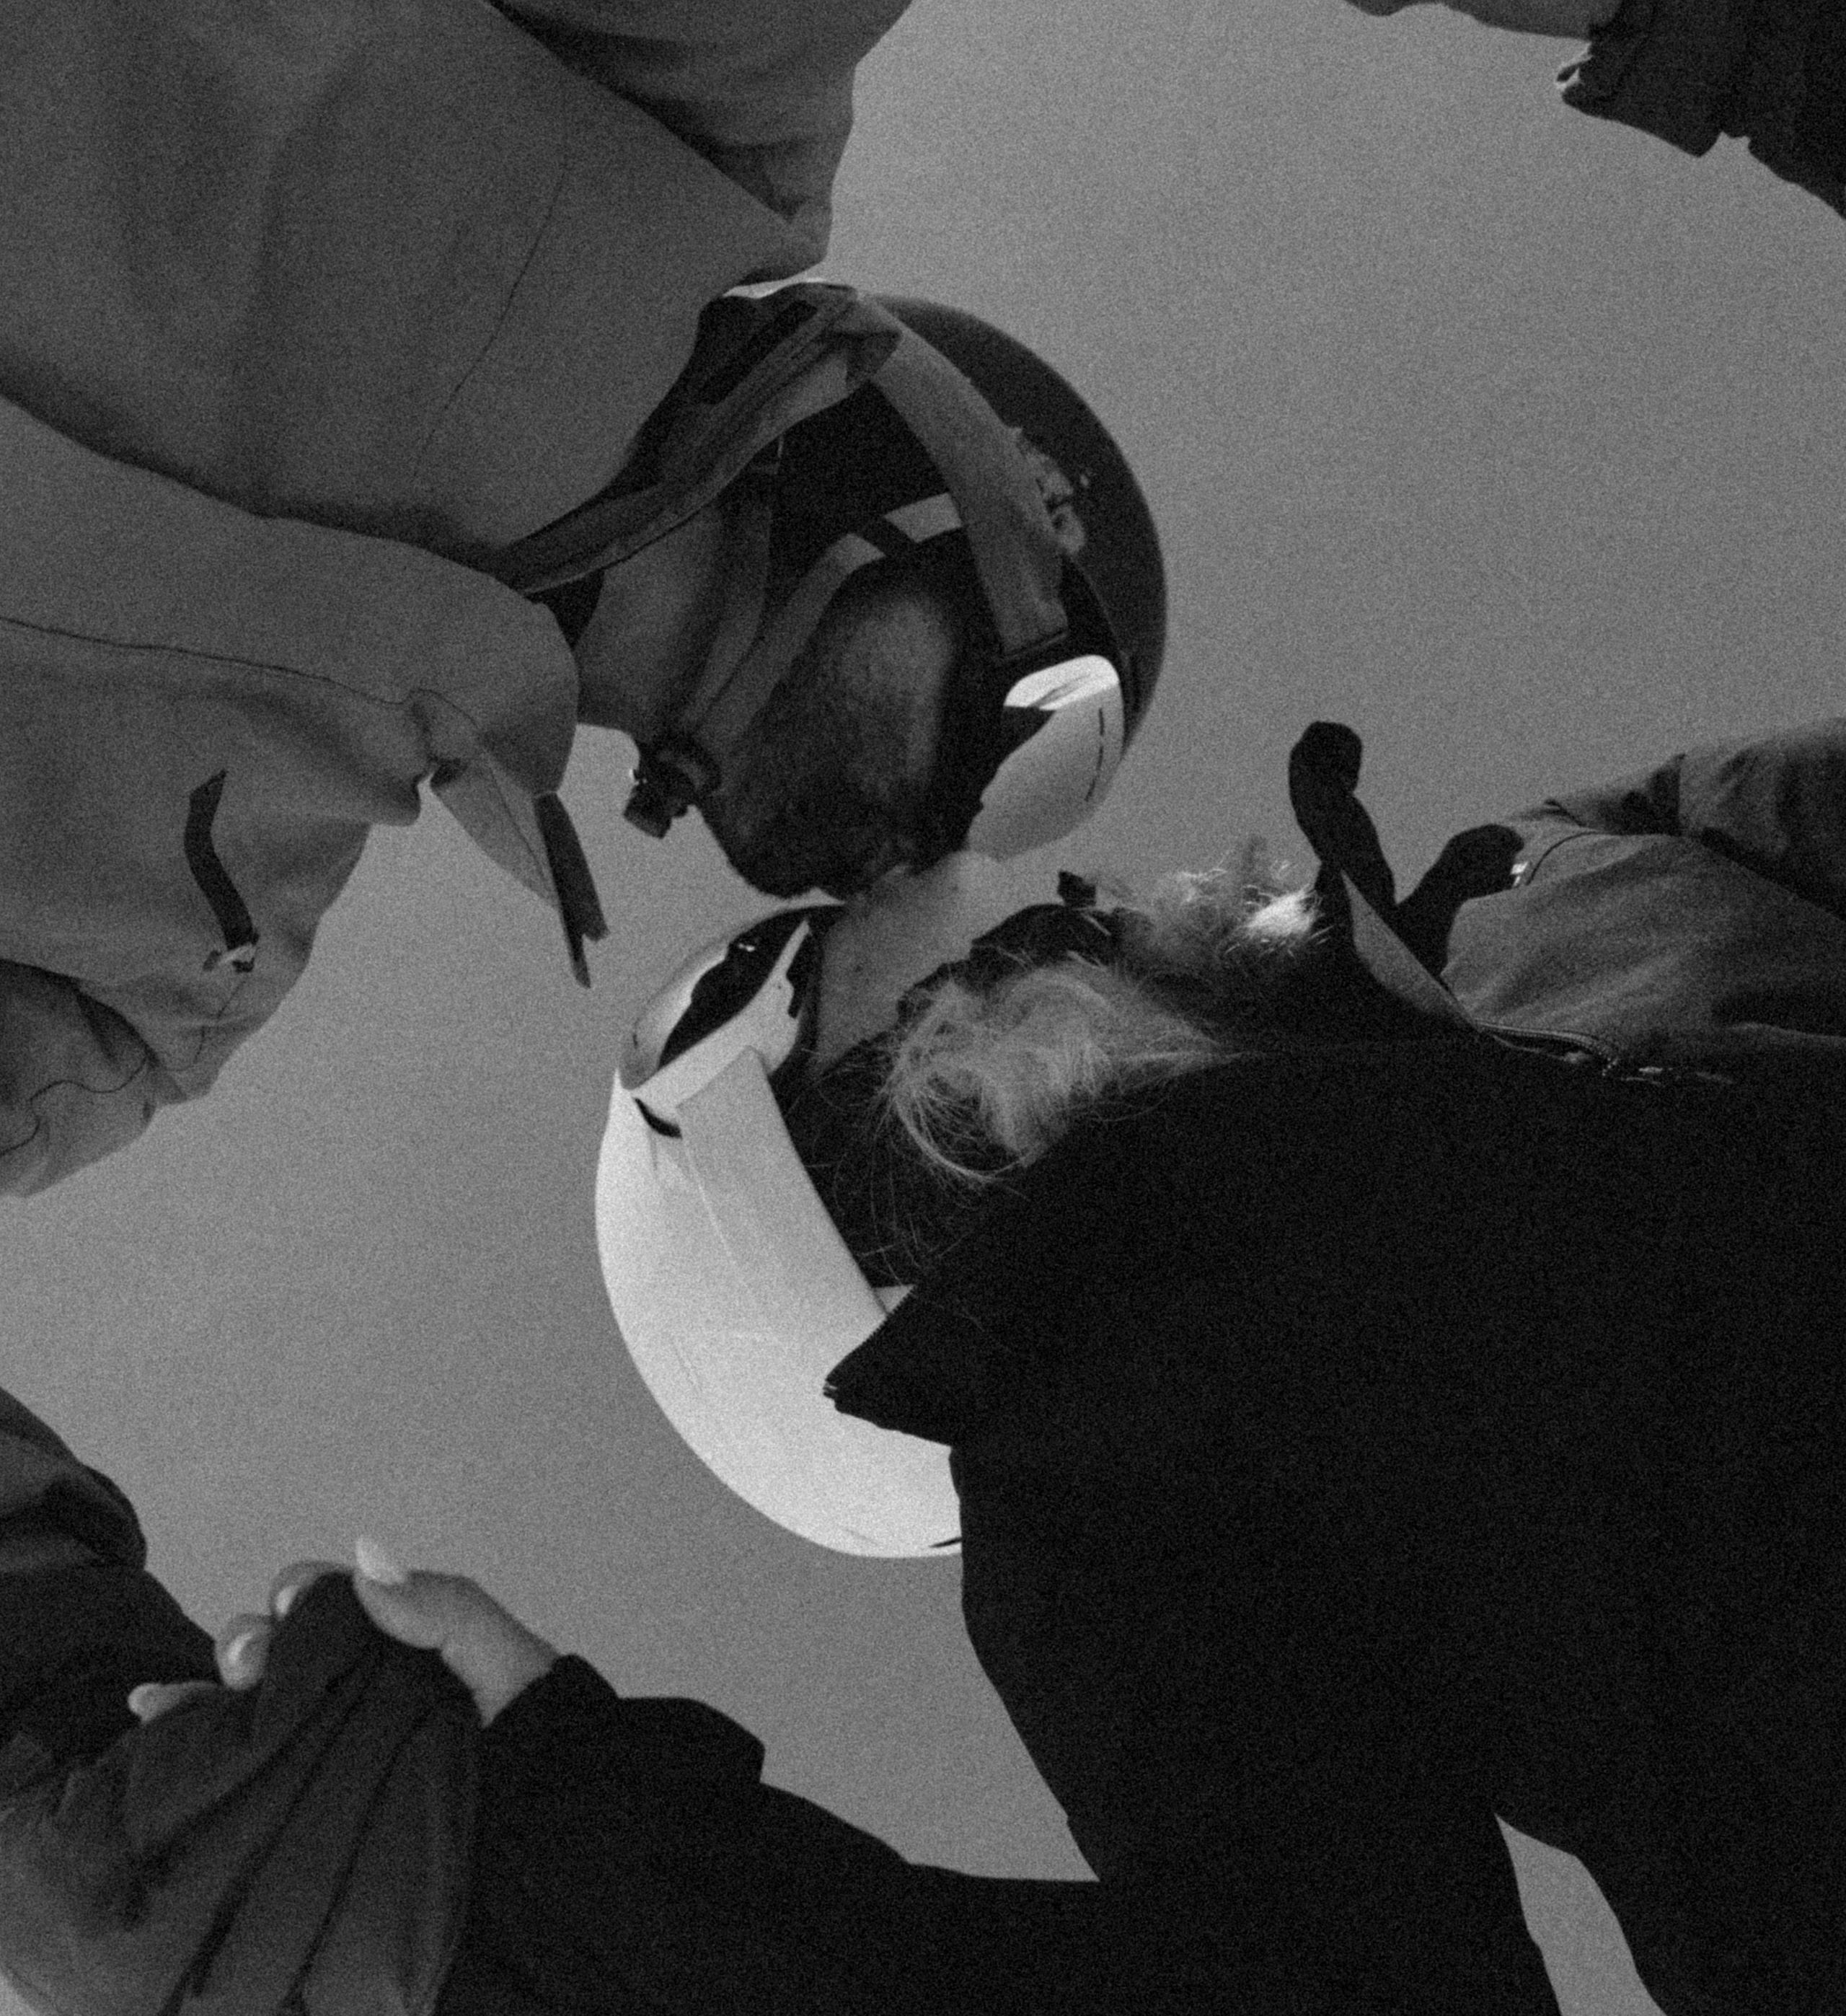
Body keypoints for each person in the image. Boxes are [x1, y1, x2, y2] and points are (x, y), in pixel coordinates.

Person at [8, 0, 1846, 1200]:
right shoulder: (596, 46)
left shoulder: (175, 971)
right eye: (1039, 751)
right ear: (974, 491)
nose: (949, 843)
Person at [8, 711, 1846, 2011]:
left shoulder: (1550, 881)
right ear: (900, 1167)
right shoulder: (1116, 1457)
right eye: (988, 953)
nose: (1084, 882)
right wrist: (546, 1849)